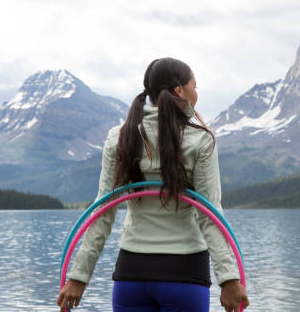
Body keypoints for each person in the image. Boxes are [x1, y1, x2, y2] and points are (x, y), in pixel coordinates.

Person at [57, 58, 250, 312]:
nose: (196, 93)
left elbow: (103, 210)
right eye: (195, 86)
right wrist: (229, 278)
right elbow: (209, 213)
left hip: (132, 274)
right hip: (185, 273)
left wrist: (78, 277)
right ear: (180, 90)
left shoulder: (120, 136)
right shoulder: (200, 138)